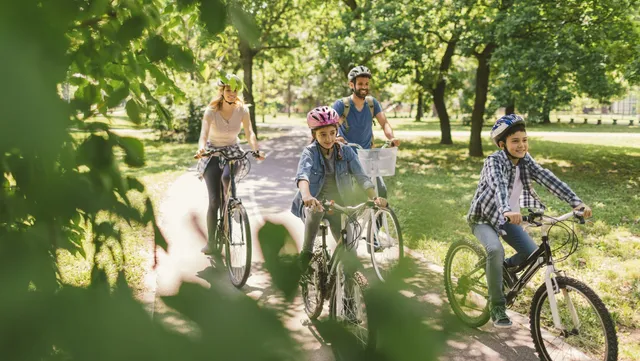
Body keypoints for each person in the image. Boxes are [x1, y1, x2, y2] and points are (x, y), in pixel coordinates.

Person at [466, 114, 592, 328]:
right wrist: (507, 209)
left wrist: (576, 203)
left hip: (507, 218)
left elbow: (548, 178)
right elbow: (498, 187)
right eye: (515, 141)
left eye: (524, 140)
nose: (521, 145)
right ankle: (497, 306)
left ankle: (501, 270)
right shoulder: (493, 162)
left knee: (532, 255)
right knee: (495, 250)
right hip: (484, 218)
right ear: (501, 144)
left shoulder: (526, 161)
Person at [291, 106, 387, 269]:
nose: (328, 138)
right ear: (314, 135)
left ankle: (348, 288)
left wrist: (374, 196)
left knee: (350, 255)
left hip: (339, 205)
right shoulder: (310, 152)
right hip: (315, 203)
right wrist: (306, 196)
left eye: (332, 133)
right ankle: (306, 252)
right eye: (322, 134)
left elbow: (361, 176)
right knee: (316, 210)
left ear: (337, 132)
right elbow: (303, 176)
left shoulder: (346, 152)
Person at [195, 73, 264, 255]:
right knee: (214, 200)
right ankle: (211, 242)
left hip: (233, 151)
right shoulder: (211, 111)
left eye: (235, 91)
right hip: (212, 153)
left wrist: (256, 149)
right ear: (222, 91)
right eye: (228, 90)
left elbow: (249, 133)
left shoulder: (242, 110)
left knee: (227, 178)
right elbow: (203, 134)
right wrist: (201, 149)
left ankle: (231, 204)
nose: (232, 94)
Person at [332, 65, 400, 199]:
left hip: (368, 155)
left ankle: (378, 219)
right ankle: (351, 218)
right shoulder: (342, 105)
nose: (364, 87)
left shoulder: (372, 103)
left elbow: (384, 123)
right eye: (361, 84)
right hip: (347, 155)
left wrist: (392, 138)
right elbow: (333, 127)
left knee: (381, 191)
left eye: (367, 84)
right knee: (352, 195)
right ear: (352, 85)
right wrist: (338, 137)